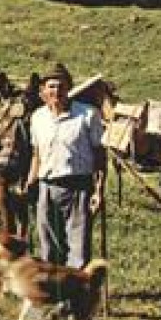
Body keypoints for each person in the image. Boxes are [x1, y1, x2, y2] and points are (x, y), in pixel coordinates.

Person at [28, 64, 105, 268]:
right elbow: (37, 154)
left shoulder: (88, 115)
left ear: (69, 88)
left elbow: (99, 155)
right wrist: (31, 180)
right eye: (51, 86)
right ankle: (56, 295)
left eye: (61, 86)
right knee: (49, 249)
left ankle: (76, 297)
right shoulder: (37, 117)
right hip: (46, 187)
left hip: (78, 187)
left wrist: (99, 190)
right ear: (43, 91)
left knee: (78, 249)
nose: (56, 91)